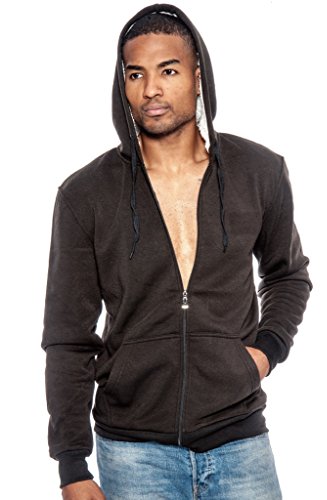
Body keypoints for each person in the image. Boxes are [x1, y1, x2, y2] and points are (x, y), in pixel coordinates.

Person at [42, 4, 312, 499]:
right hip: (132, 453)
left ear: (198, 76)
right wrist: (72, 465)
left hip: (240, 442)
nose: (151, 90)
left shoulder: (259, 172)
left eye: (168, 71)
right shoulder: (85, 195)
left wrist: (266, 352)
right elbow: (67, 337)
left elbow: (287, 274)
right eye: (136, 74)